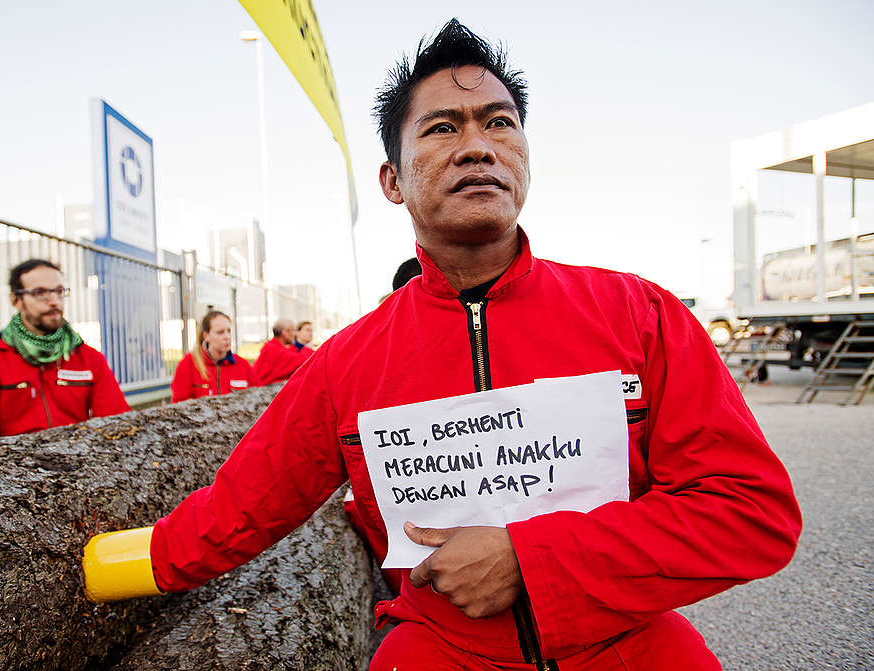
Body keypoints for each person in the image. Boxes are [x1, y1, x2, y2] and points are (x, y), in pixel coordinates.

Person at [82, 20, 801, 670]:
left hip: (630, 643)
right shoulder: (346, 363)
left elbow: (752, 513)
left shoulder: (640, 314)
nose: (479, 145)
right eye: (442, 128)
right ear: (392, 181)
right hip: (439, 648)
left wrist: (533, 558)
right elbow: (236, 509)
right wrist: (101, 566)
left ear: (524, 156)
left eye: (500, 123)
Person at [0, 259, 129, 448]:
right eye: (40, 293)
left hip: (77, 469)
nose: (54, 301)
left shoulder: (88, 359)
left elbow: (117, 423)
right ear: (16, 300)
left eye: (59, 291)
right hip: (14, 472)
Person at [171, 310, 258, 402]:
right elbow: (179, 406)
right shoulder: (188, 364)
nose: (227, 336)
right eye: (220, 332)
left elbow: (258, 399)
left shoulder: (243, 365)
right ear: (206, 336)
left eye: (229, 331)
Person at [250, 318, 312, 385]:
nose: (295, 334)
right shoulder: (272, 349)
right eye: (293, 331)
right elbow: (299, 360)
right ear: (284, 333)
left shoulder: (275, 347)